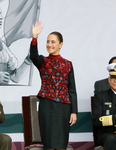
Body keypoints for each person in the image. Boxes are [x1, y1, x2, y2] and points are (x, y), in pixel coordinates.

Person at [30, 21, 78, 150]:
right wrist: (35, 38)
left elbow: (72, 89)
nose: (49, 44)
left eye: (53, 42)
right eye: (48, 42)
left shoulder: (68, 64)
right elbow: (33, 56)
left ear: (60, 44)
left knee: (61, 143)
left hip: (64, 108)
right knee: (49, 143)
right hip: (47, 106)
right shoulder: (43, 61)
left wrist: (74, 111)